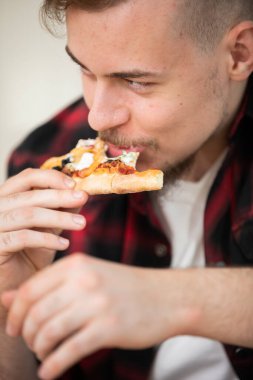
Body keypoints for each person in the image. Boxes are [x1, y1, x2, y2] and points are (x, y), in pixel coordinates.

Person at [1, 0, 253, 379]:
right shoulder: (44, 153)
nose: (97, 117)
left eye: (136, 81)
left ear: (239, 53)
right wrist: (7, 308)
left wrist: (170, 299)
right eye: (85, 70)